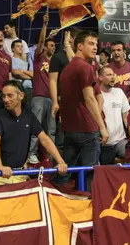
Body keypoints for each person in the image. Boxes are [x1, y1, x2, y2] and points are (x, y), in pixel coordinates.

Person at [54, 31, 108, 190]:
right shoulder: (85, 67)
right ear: (79, 46)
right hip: (87, 129)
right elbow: (90, 99)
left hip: (70, 129)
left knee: (65, 172)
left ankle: (56, 200)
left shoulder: (69, 68)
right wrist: (102, 127)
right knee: (89, 173)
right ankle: (86, 207)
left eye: (96, 45)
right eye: (91, 44)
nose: (95, 48)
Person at [0, 81, 67, 186]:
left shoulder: (29, 116)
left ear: (21, 95)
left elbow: (44, 138)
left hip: (21, 174)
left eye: (10, 95)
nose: (5, 100)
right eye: (3, 96)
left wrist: (60, 161)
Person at [28, 12, 52, 164]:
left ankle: (49, 155)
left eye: (54, 45)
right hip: (38, 96)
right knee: (36, 127)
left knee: (51, 130)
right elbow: (41, 40)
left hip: (51, 98)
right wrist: (44, 24)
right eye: (50, 45)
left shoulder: (54, 62)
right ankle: (31, 153)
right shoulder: (39, 57)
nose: (53, 47)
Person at [99, 67, 130, 165]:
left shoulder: (119, 92)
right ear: (100, 77)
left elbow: (126, 116)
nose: (112, 77)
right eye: (108, 75)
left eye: (113, 74)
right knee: (105, 170)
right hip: (103, 144)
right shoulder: (96, 95)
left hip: (120, 141)